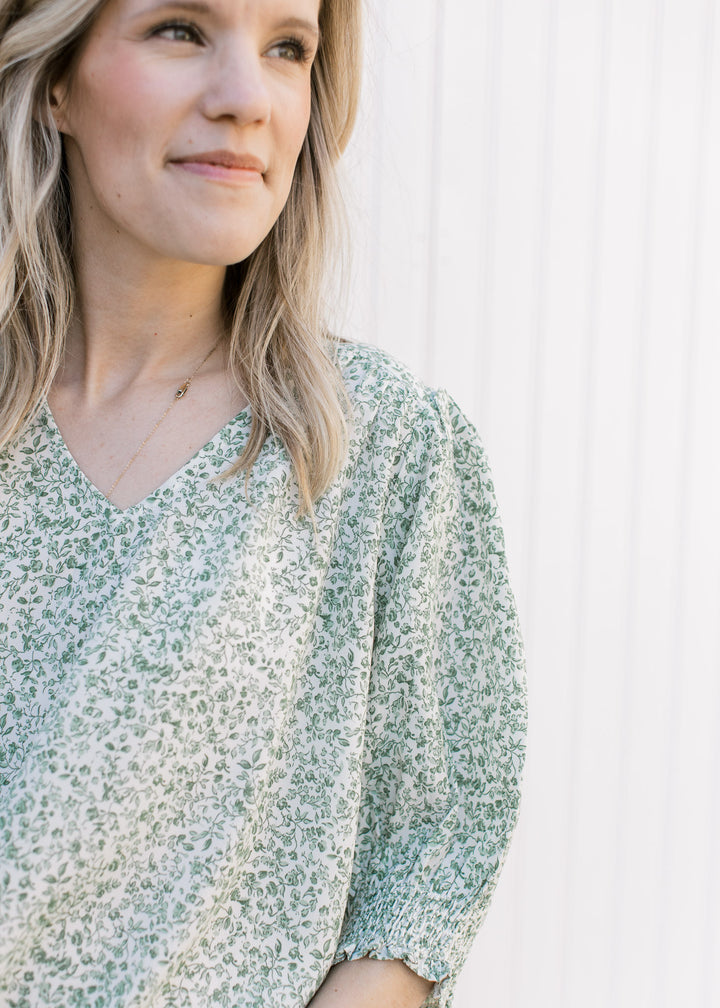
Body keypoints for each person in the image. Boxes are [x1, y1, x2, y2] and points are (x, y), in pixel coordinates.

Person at [0, 0, 528, 1006]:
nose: (247, 99)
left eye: (288, 49)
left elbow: (422, 879)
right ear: (56, 77)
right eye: (181, 30)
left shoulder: (383, 454)